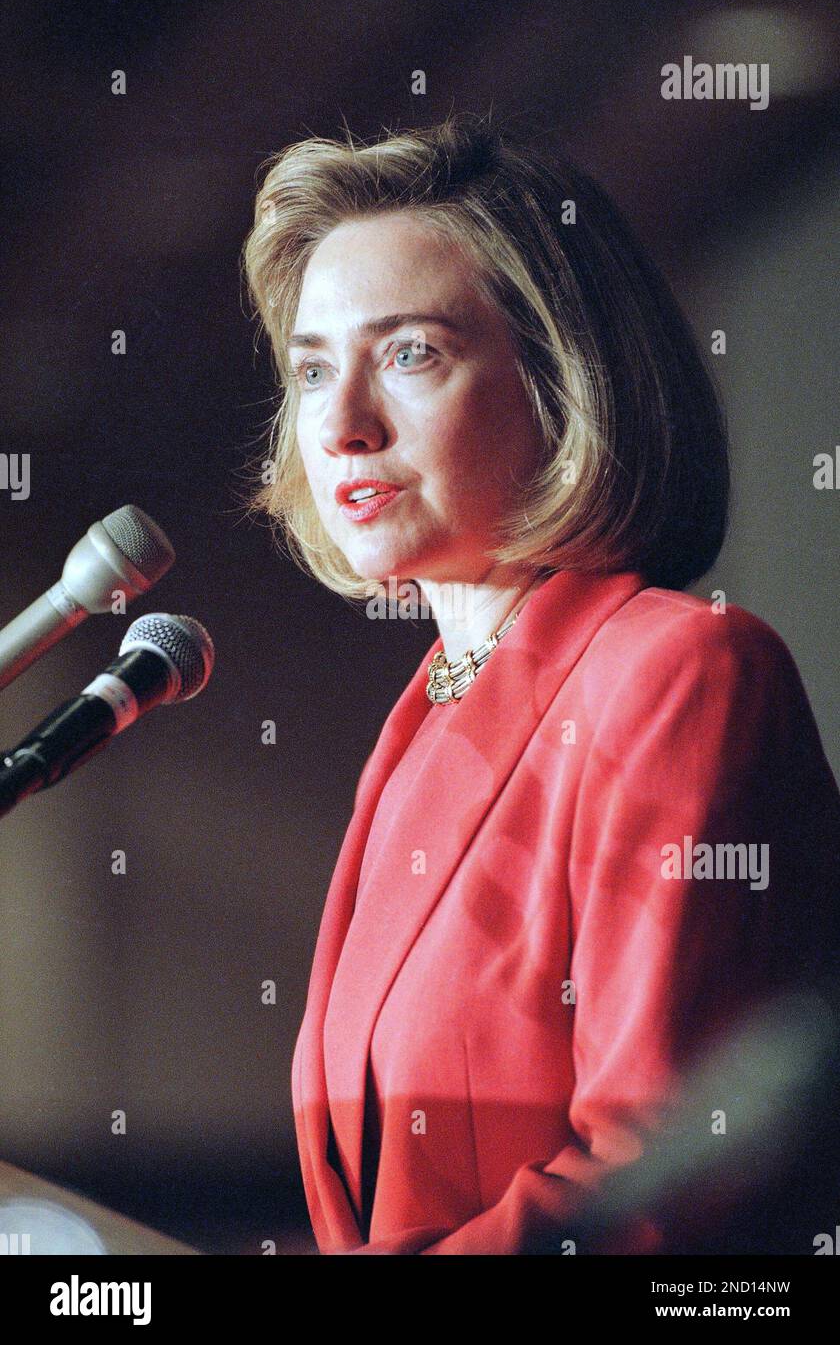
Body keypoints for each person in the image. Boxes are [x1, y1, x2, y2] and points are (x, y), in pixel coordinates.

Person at [241, 114, 840, 1255]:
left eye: (410, 352)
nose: (342, 422)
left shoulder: (682, 671)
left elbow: (665, 1166)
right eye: (314, 366)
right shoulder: (424, 718)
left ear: (564, 381)